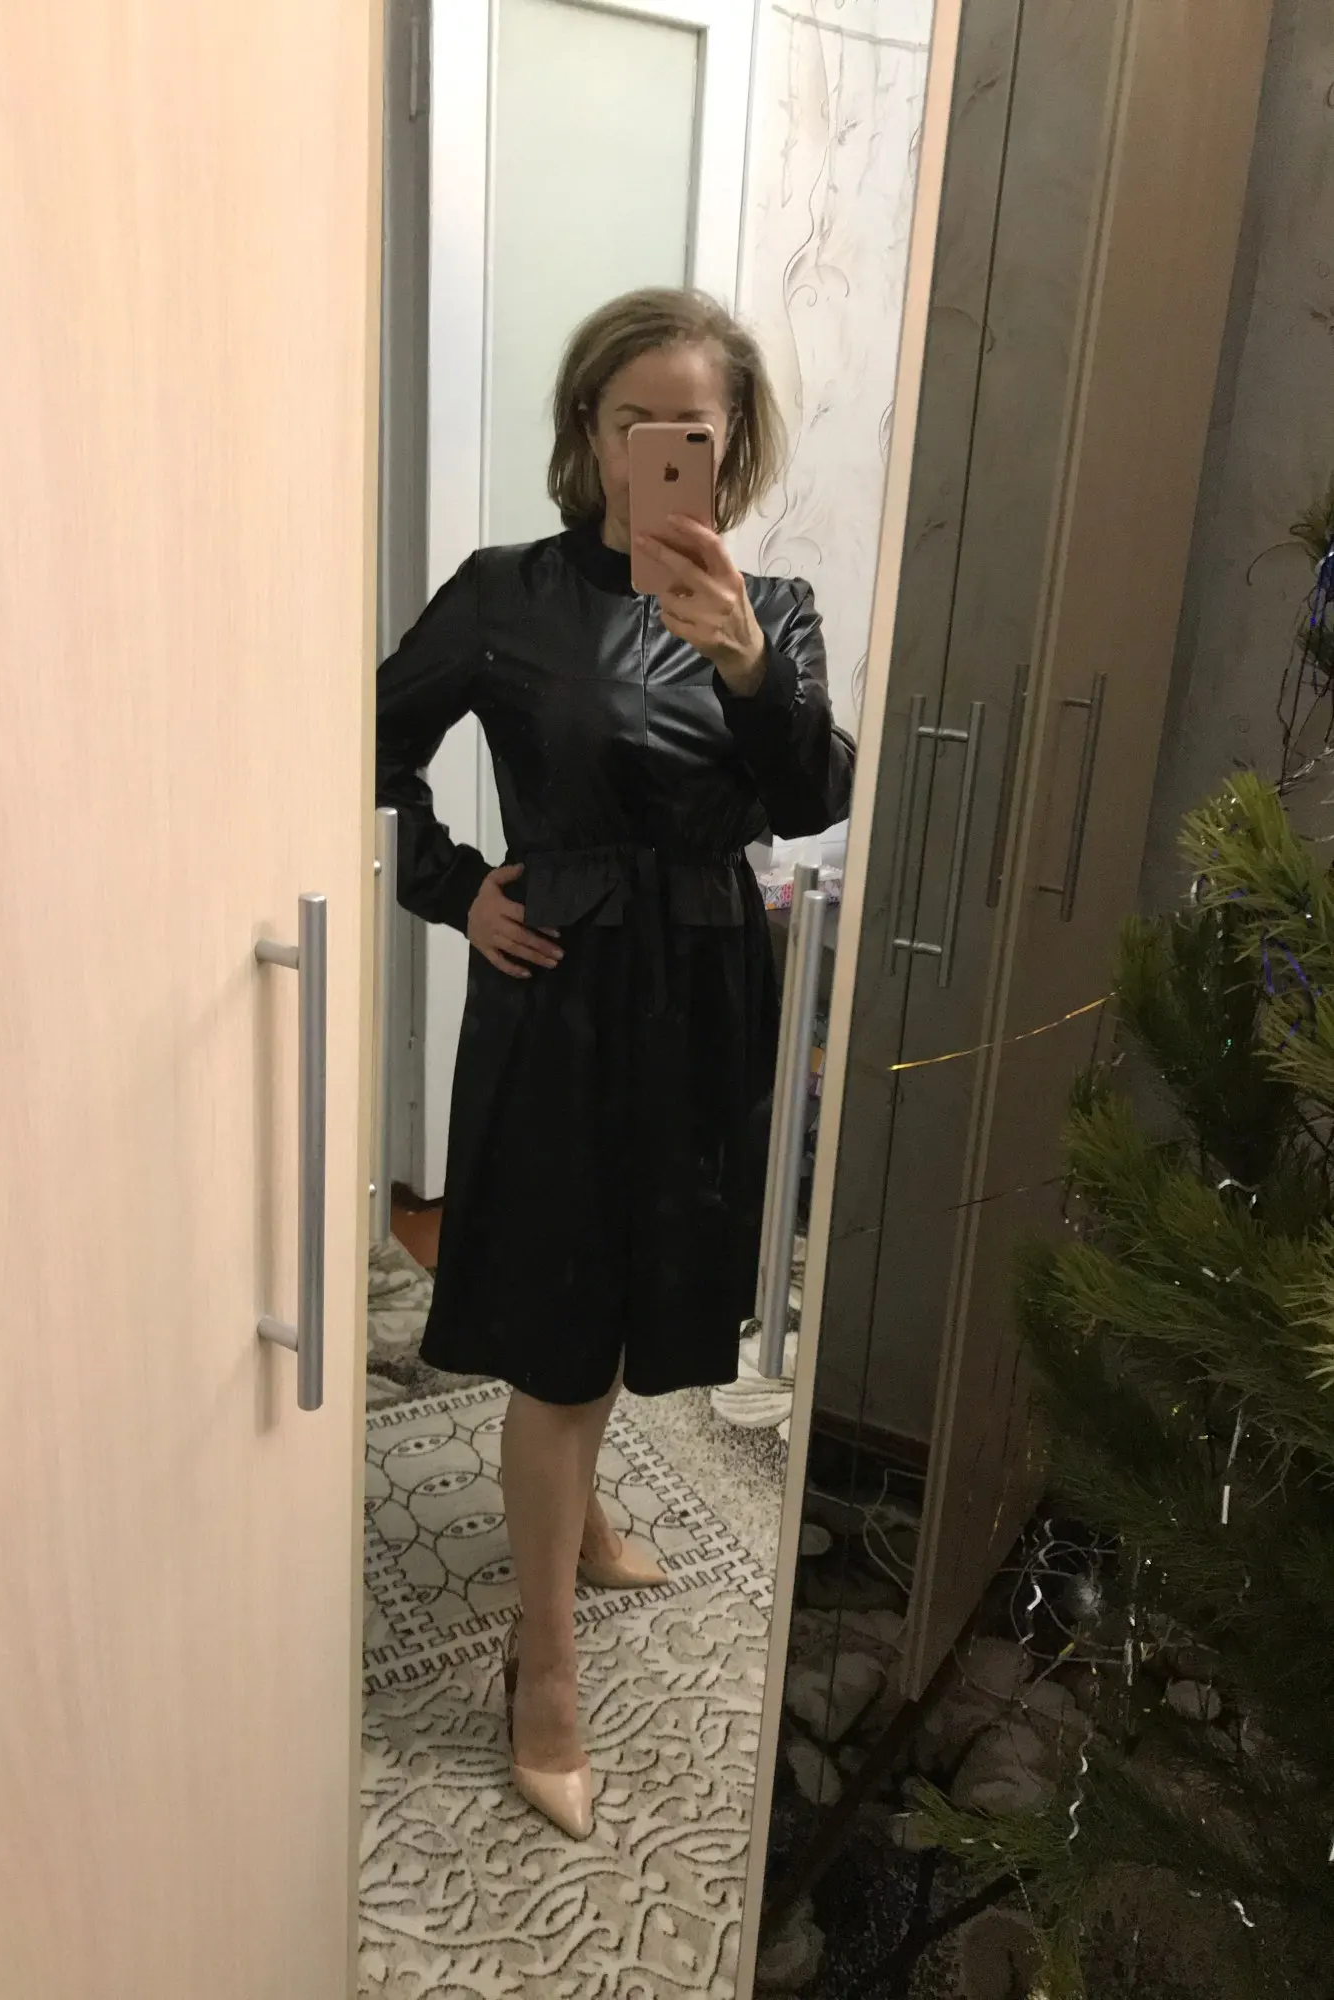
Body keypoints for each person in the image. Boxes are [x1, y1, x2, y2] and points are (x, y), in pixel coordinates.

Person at [376, 287, 854, 1840]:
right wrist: (457, 888)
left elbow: (811, 799)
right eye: (631, 420)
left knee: (652, 1284)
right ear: (587, 430)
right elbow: (357, 744)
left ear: (731, 442)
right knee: (563, 1335)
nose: (657, 447)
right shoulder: (502, 596)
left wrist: (749, 669)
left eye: (689, 429)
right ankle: (545, 1666)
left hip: (710, 990)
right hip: (565, 994)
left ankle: (578, 1527)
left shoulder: (774, 609)